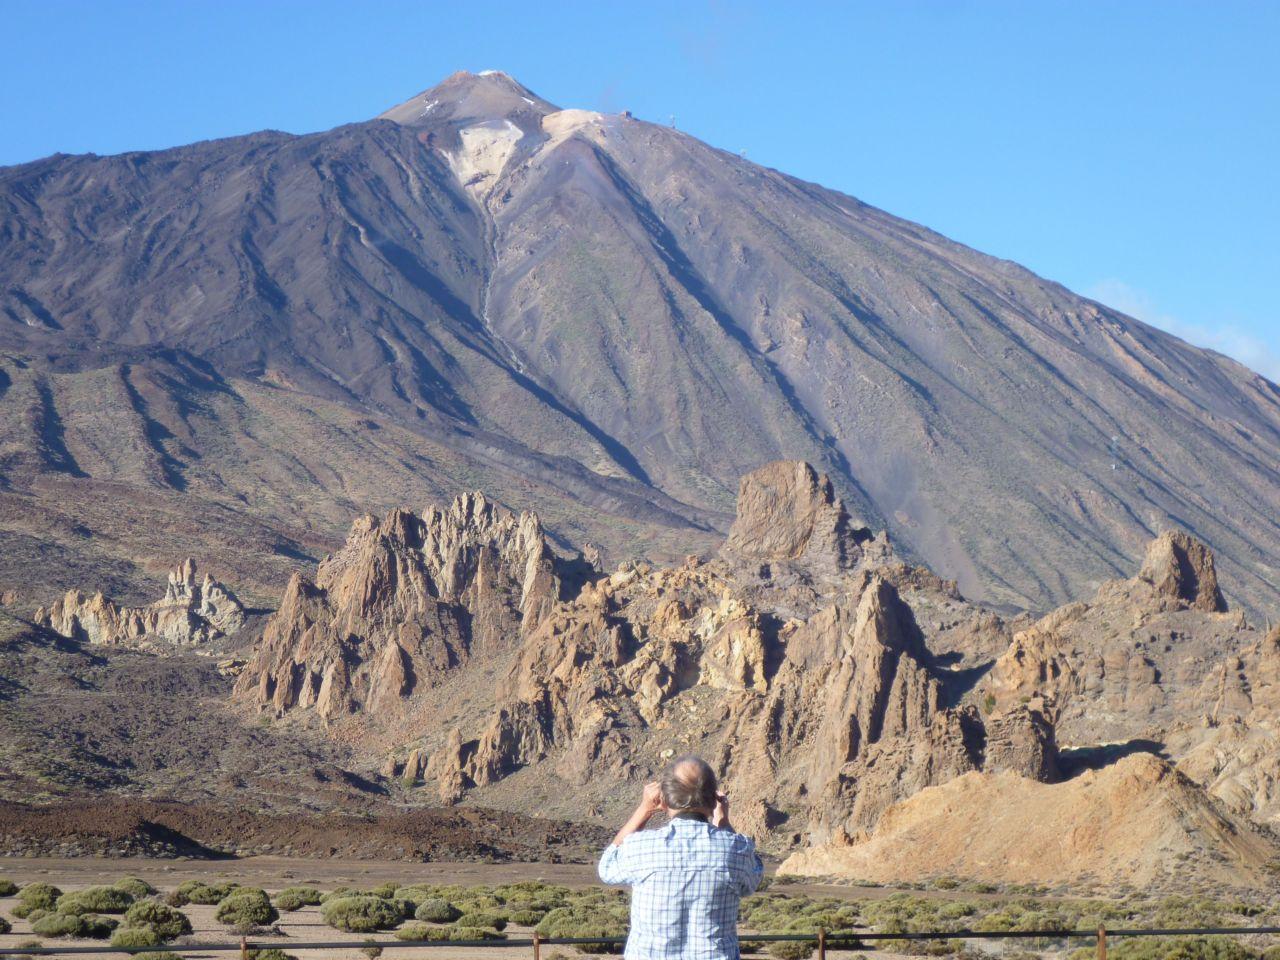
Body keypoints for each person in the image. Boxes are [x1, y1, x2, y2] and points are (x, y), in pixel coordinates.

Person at [598, 755, 764, 960]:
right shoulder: (735, 849)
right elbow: (754, 878)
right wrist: (723, 823)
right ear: (713, 799)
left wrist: (644, 809)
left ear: (665, 799)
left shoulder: (642, 847)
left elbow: (607, 868)